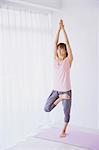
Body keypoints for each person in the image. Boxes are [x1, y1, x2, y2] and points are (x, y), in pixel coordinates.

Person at [44, 19, 73, 137]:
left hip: (66, 90)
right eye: (58, 48)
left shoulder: (68, 61)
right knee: (46, 108)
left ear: (65, 51)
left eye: (62, 48)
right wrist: (58, 29)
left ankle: (63, 131)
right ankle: (61, 99)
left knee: (66, 113)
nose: (60, 50)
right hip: (56, 91)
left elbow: (68, 43)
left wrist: (64, 30)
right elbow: (54, 42)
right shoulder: (55, 60)